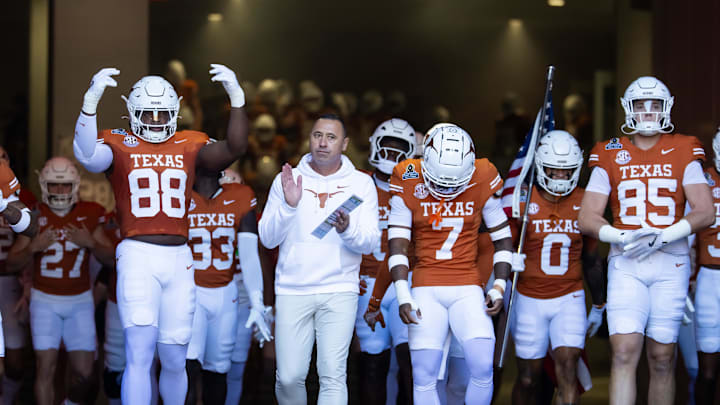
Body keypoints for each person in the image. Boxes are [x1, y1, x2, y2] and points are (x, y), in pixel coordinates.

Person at [72, 64, 249, 405]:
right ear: (133, 113)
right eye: (148, 114)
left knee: (174, 358)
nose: (154, 121)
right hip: (138, 254)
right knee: (138, 354)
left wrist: (237, 98)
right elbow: (88, 156)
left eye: (161, 114)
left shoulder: (190, 142)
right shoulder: (119, 142)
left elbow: (235, 148)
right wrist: (90, 102)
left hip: (180, 257)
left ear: (174, 113)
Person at [578, 76, 714, 405]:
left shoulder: (685, 147)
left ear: (666, 107)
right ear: (629, 108)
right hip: (627, 262)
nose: (649, 112)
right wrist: (622, 236)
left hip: (672, 261)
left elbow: (705, 211)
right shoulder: (609, 151)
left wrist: (663, 236)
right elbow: (587, 216)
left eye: (655, 105)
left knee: (663, 357)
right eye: (641, 104)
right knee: (623, 353)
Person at [387, 123, 513, 404]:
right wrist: (403, 293)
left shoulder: (482, 175)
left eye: (453, 182)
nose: (446, 189)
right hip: (425, 286)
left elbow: (503, 240)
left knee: (482, 366)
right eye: (440, 181)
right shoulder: (408, 175)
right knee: (424, 374)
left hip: (467, 286)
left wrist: (499, 287)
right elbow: (397, 243)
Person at [258, 114, 380, 405]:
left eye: (331, 137)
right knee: (288, 377)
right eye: (317, 136)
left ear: (345, 143)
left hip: (339, 289)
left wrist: (347, 229)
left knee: (333, 375)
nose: (322, 143)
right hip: (292, 289)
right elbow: (267, 238)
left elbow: (371, 242)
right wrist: (289, 206)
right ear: (309, 139)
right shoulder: (287, 179)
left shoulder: (361, 184)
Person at [509, 130, 605, 405]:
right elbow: (503, 246)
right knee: (528, 377)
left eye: (567, 171)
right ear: (541, 167)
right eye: (554, 170)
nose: (561, 177)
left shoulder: (585, 199)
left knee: (567, 368)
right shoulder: (522, 198)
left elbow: (591, 258)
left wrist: (599, 303)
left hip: (569, 298)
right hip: (528, 298)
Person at [8, 157, 114, 405]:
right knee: (46, 368)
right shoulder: (34, 217)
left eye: (65, 184)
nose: (59, 190)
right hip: (44, 301)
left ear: (75, 184)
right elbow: (11, 263)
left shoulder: (90, 212)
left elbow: (111, 258)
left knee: (86, 374)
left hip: (80, 302)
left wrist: (91, 243)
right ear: (44, 185)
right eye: (54, 185)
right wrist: (34, 246)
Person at [184, 166, 270, 405]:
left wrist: (258, 301)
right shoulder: (184, 195)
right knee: (187, 368)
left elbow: (252, 255)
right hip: (192, 291)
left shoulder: (241, 197)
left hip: (227, 292)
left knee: (219, 370)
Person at [357, 118, 417, 404]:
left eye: (399, 150)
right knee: (373, 363)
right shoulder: (357, 185)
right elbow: (334, 230)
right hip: (367, 283)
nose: (392, 156)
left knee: (411, 361)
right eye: (387, 148)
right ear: (374, 147)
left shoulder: (417, 188)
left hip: (406, 282)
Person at [0, 146, 37, 405]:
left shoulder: (6, 181)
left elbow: (32, 227)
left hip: (7, 279)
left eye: (3, 157)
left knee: (13, 359)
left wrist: (4, 206)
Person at [692, 128, 720, 404]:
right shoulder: (703, 180)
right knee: (707, 371)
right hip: (709, 278)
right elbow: (687, 235)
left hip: (708, 279)